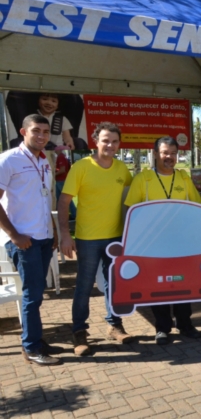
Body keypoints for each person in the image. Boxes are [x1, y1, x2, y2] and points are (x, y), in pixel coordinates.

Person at [58, 122, 134, 356]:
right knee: (84, 285)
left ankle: (115, 325)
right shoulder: (81, 167)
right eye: (105, 140)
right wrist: (64, 235)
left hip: (115, 237)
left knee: (115, 284)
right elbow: (63, 202)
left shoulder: (122, 169)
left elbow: (131, 203)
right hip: (88, 238)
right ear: (95, 141)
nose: (110, 145)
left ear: (119, 144)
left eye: (114, 141)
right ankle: (79, 332)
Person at [124, 137, 201, 345]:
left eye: (174, 153)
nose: (170, 157)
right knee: (157, 285)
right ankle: (162, 328)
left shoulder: (184, 177)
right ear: (156, 154)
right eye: (165, 153)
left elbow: (197, 207)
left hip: (182, 244)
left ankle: (185, 324)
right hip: (154, 244)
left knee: (183, 284)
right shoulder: (143, 178)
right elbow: (131, 211)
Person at [0, 114, 63, 366]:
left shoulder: (44, 160)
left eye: (46, 132)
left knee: (38, 292)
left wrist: (55, 230)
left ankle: (36, 339)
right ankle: (31, 347)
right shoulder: (8, 160)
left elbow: (44, 197)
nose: (41, 136)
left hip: (44, 237)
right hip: (23, 240)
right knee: (32, 294)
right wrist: (15, 235)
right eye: (36, 131)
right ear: (23, 131)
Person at [54, 146, 76, 220]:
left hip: (61, 180)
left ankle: (75, 214)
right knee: (59, 199)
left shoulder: (60, 157)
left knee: (66, 199)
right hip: (60, 180)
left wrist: (53, 175)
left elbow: (62, 170)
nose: (54, 150)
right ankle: (60, 215)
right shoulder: (62, 157)